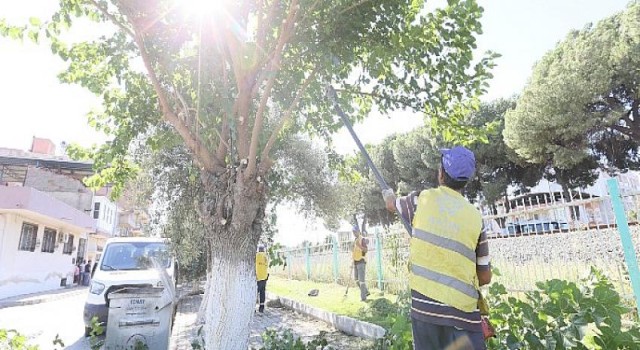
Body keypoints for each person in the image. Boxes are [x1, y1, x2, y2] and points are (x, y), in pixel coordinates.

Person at [382, 146, 492, 350]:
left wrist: (388, 194)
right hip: (464, 316)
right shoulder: (475, 217)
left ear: (441, 174)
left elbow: (391, 204)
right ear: (466, 181)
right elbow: (485, 276)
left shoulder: (421, 200)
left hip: (426, 312)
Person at [352, 226, 369, 302]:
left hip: (361, 261)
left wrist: (359, 245)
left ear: (359, 231)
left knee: (361, 281)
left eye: (355, 231)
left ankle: (363, 298)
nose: (354, 233)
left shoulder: (362, 239)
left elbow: (365, 250)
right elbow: (354, 251)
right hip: (356, 262)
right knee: (356, 279)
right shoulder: (355, 240)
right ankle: (366, 291)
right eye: (353, 232)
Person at [255, 244, 269, 313]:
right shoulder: (266, 256)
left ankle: (253, 308)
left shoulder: (257, 256)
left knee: (255, 293)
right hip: (264, 277)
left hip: (258, 277)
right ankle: (261, 308)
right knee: (262, 292)